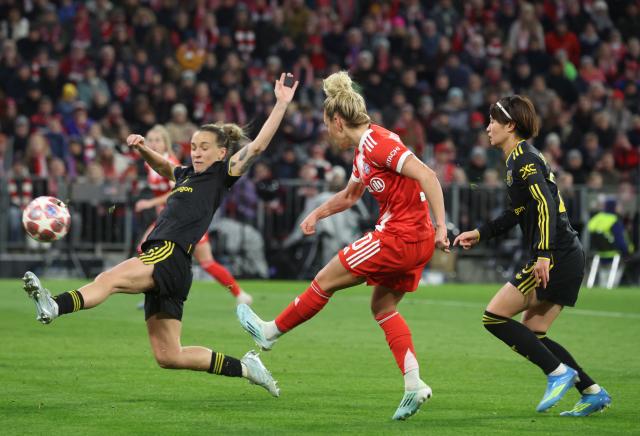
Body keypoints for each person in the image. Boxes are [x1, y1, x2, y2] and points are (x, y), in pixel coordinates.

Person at [22, 73, 299, 396]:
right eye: (193, 147)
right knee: (169, 356)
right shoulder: (185, 175)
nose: (196, 153)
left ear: (222, 153)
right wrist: (142, 149)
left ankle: (54, 305)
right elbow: (166, 168)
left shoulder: (221, 175)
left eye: (204, 148)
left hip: (168, 252)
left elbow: (259, 145)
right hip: (176, 266)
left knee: (108, 279)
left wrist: (281, 103)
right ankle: (247, 368)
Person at [235, 71, 450, 420]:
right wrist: (316, 214)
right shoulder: (364, 153)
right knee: (383, 308)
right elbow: (350, 196)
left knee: (325, 279)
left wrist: (442, 226)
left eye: (326, 126)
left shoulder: (378, 143)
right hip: (413, 241)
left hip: (400, 237)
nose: (326, 134)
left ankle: (269, 332)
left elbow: (428, 175)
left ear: (337, 121)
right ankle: (414, 384)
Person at [453, 95, 611, 416]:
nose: (488, 128)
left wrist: (542, 254)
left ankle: (558, 373)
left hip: (555, 256)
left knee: (493, 317)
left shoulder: (524, 160)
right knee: (534, 334)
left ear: (510, 125)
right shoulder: (519, 160)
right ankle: (592, 391)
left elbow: (545, 205)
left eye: (493, 121)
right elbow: (516, 213)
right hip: (566, 254)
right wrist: (481, 233)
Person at [134, 124, 253, 305]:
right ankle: (154, 290)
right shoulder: (150, 163)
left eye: (157, 140)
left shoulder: (174, 163)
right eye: (150, 140)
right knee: (149, 250)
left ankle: (239, 293)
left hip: (187, 221)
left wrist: (151, 203)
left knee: (205, 262)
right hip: (170, 222)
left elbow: (180, 189)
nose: (154, 143)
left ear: (165, 143)